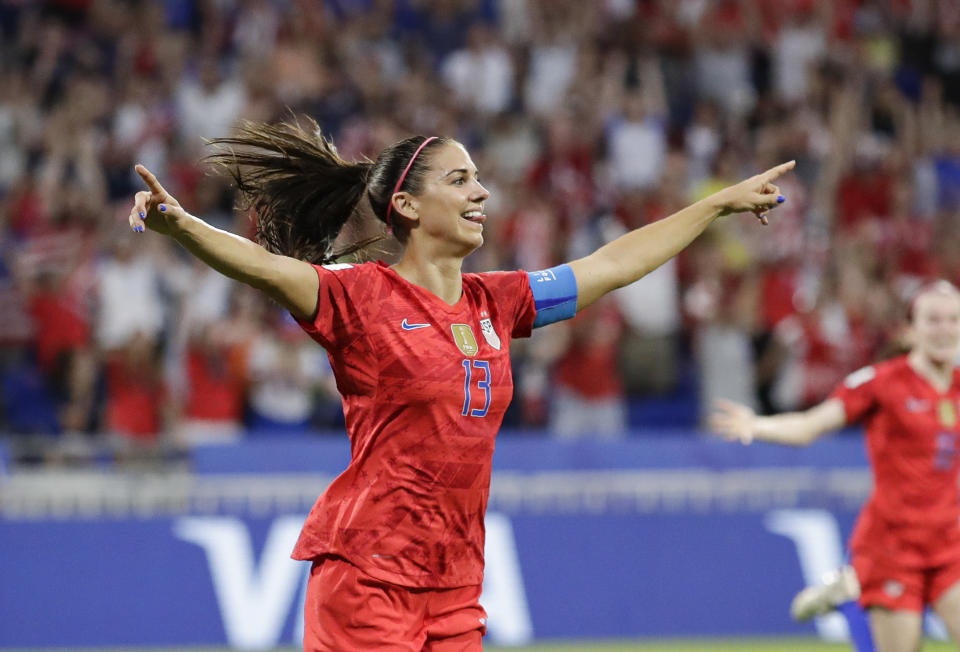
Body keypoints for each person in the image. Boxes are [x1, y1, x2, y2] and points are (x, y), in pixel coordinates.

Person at [127, 118, 793, 651]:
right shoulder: (359, 297)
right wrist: (182, 225)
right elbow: (267, 270)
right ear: (409, 205)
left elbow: (612, 263)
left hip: (455, 588)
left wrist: (715, 206)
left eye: (479, 178)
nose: (481, 192)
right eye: (459, 179)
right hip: (368, 579)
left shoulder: (498, 304)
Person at [710, 281, 960, 652]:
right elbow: (811, 426)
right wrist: (758, 425)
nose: (944, 329)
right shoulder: (880, 383)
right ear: (911, 329)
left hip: (950, 545)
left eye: (953, 319)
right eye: (933, 319)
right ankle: (848, 588)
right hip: (893, 549)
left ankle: (843, 589)